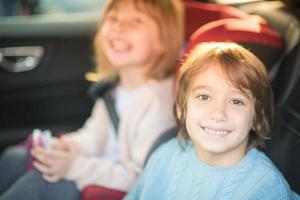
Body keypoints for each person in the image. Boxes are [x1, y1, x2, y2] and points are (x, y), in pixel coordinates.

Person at [0, 0, 184, 199]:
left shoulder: (158, 105)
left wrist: (74, 166)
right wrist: (70, 146)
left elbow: (139, 178)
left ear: (162, 42)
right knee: (16, 157)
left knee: (39, 184)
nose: (119, 27)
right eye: (113, 18)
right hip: (97, 168)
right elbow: (94, 136)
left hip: (117, 188)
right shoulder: (114, 88)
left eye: (136, 21)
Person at [125, 42, 297, 199]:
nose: (218, 113)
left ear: (258, 118)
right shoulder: (165, 155)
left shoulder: (265, 188)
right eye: (204, 97)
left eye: (236, 101)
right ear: (181, 109)